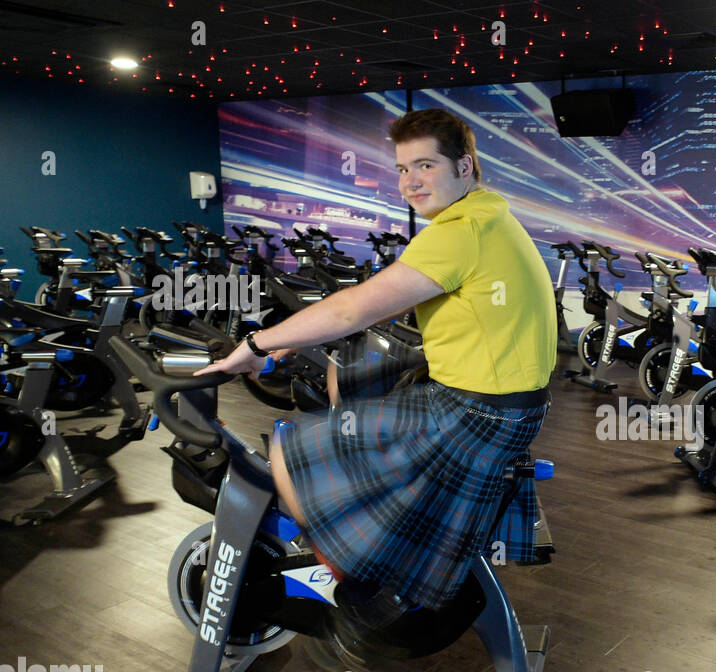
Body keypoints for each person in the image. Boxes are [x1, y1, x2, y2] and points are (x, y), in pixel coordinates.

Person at [198, 108, 557, 627]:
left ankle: (348, 570)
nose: (411, 181)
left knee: (287, 446)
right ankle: (374, 551)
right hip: (508, 408)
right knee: (352, 406)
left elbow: (353, 309)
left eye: (426, 166)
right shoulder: (488, 216)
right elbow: (388, 303)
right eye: (403, 169)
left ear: (465, 166)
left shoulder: (457, 232)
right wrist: (293, 343)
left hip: (477, 412)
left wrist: (255, 343)